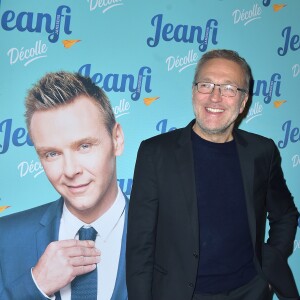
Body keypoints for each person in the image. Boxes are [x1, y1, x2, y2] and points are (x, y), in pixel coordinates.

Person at [126, 49, 299, 300]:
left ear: (243, 102)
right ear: (194, 92)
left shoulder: (262, 152)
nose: (215, 97)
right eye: (206, 85)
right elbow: (140, 247)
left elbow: (285, 215)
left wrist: (269, 270)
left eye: (229, 88)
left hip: (250, 291)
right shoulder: (155, 153)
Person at [0, 71, 128, 300]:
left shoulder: (170, 233)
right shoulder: (5, 239)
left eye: (84, 146)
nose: (70, 170)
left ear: (116, 139)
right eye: (52, 153)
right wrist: (34, 286)